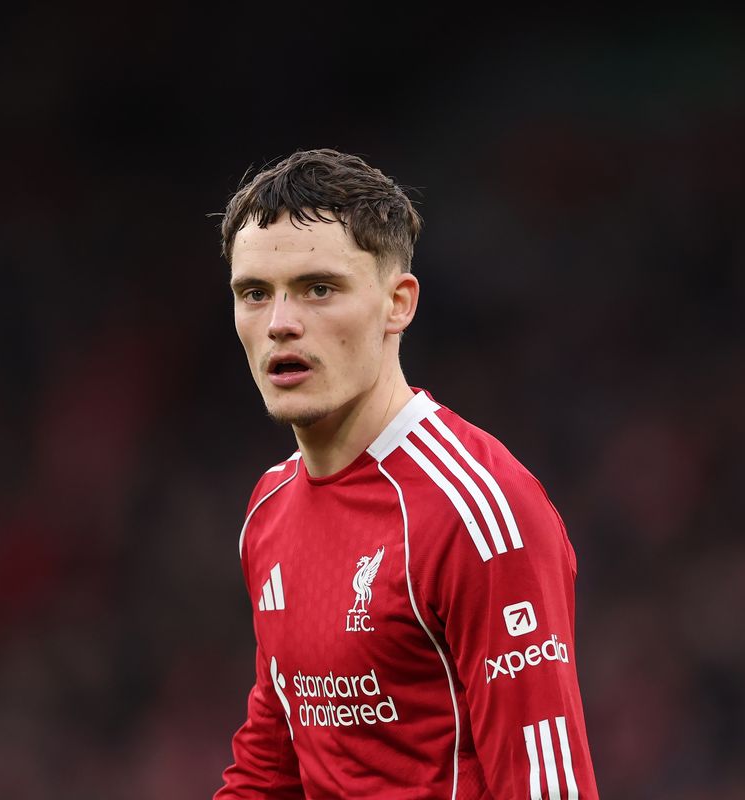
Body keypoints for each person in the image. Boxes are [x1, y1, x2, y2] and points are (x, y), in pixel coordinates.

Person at [213, 149, 599, 799]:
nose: (280, 323)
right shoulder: (268, 508)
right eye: (255, 293)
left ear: (398, 304)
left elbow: (547, 787)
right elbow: (272, 765)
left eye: (318, 288)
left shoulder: (478, 512)